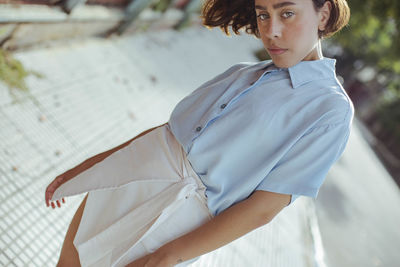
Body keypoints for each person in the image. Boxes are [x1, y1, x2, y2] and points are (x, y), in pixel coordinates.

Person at [45, 0, 353, 266]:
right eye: (262, 14)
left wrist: (167, 256)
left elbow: (263, 209)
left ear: (323, 15)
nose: (270, 30)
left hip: (174, 220)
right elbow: (168, 133)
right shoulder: (245, 72)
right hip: (130, 176)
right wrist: (90, 167)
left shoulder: (331, 111)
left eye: (287, 13)